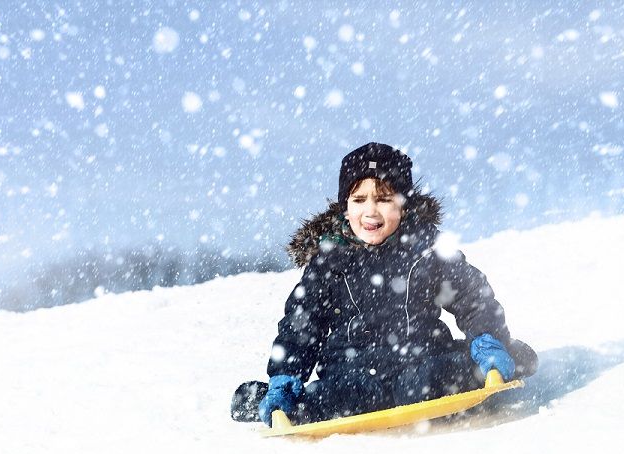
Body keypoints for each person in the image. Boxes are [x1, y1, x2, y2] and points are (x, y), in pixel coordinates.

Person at [231, 142, 538, 426]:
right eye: (359, 199)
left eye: (384, 199)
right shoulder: (330, 260)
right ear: (345, 207)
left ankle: (498, 359)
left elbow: (472, 296)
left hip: (421, 361)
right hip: (351, 374)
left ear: (403, 205)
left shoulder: (425, 249)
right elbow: (301, 325)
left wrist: (488, 339)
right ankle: (275, 401)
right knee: (332, 402)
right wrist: (285, 377)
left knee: (424, 384)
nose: (370, 211)